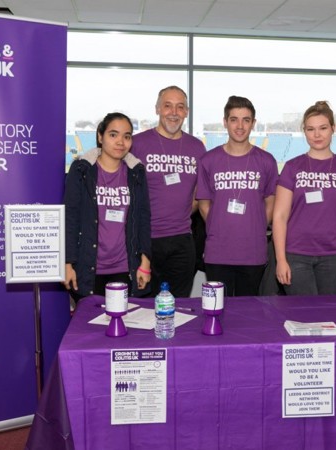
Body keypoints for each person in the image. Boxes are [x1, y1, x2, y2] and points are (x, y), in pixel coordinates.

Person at [272, 101, 336, 295]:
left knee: (329, 311)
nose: (317, 135)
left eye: (323, 128)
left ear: (333, 128)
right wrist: (280, 260)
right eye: (310, 129)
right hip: (296, 255)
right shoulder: (292, 167)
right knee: (303, 311)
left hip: (335, 256)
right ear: (304, 132)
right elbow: (279, 216)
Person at [63, 112, 152, 301]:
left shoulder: (136, 173)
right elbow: (70, 218)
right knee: (91, 319)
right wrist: (67, 263)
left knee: (125, 319)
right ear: (100, 136)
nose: (121, 142)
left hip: (125, 268)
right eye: (113, 134)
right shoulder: (81, 170)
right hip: (88, 269)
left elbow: (144, 219)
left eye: (127, 136)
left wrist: (145, 262)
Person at [196, 96, 278, 296]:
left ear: (253, 123)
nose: (240, 126)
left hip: (253, 251)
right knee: (217, 307)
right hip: (218, 251)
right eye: (234, 119)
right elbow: (204, 204)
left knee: (248, 310)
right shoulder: (208, 160)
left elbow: (271, 202)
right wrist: (219, 227)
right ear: (225, 122)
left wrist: (256, 227)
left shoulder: (266, 161)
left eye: (246, 120)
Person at [131, 86, 206, 298]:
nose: (174, 112)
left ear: (186, 112)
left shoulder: (197, 147)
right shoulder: (137, 144)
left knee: (178, 304)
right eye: (167, 106)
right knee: (142, 304)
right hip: (144, 240)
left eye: (180, 107)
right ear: (157, 109)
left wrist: (178, 213)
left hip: (182, 240)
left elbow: (199, 193)